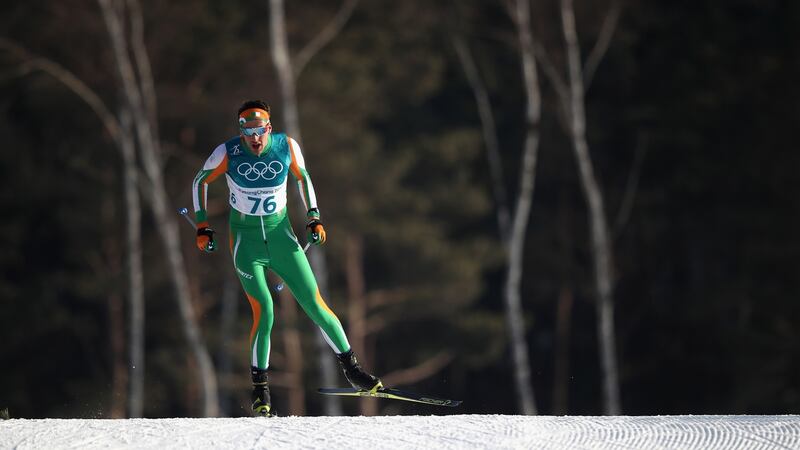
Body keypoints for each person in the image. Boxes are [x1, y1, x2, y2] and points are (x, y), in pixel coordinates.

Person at [191, 100, 381, 417]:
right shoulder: (228, 152)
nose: (254, 138)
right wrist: (202, 225)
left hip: (281, 237)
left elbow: (303, 178)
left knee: (315, 304)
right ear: (241, 131)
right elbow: (200, 180)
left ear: (269, 127)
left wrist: (314, 218)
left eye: (260, 130)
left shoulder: (286, 145)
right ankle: (260, 390)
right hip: (246, 242)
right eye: (247, 131)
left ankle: (352, 369)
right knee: (264, 311)